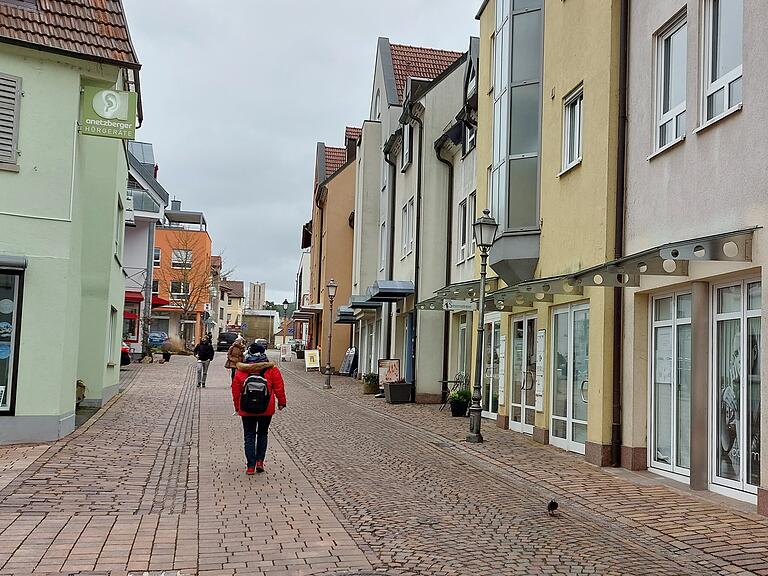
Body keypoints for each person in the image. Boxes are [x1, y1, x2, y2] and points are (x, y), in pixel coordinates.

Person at [231, 342, 286, 475]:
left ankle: (250, 466)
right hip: (266, 408)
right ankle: (260, 462)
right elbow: (279, 387)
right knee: (262, 434)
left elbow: (235, 390)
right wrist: (281, 402)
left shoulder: (242, 370)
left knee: (249, 436)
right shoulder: (272, 369)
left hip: (246, 408)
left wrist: (237, 407)